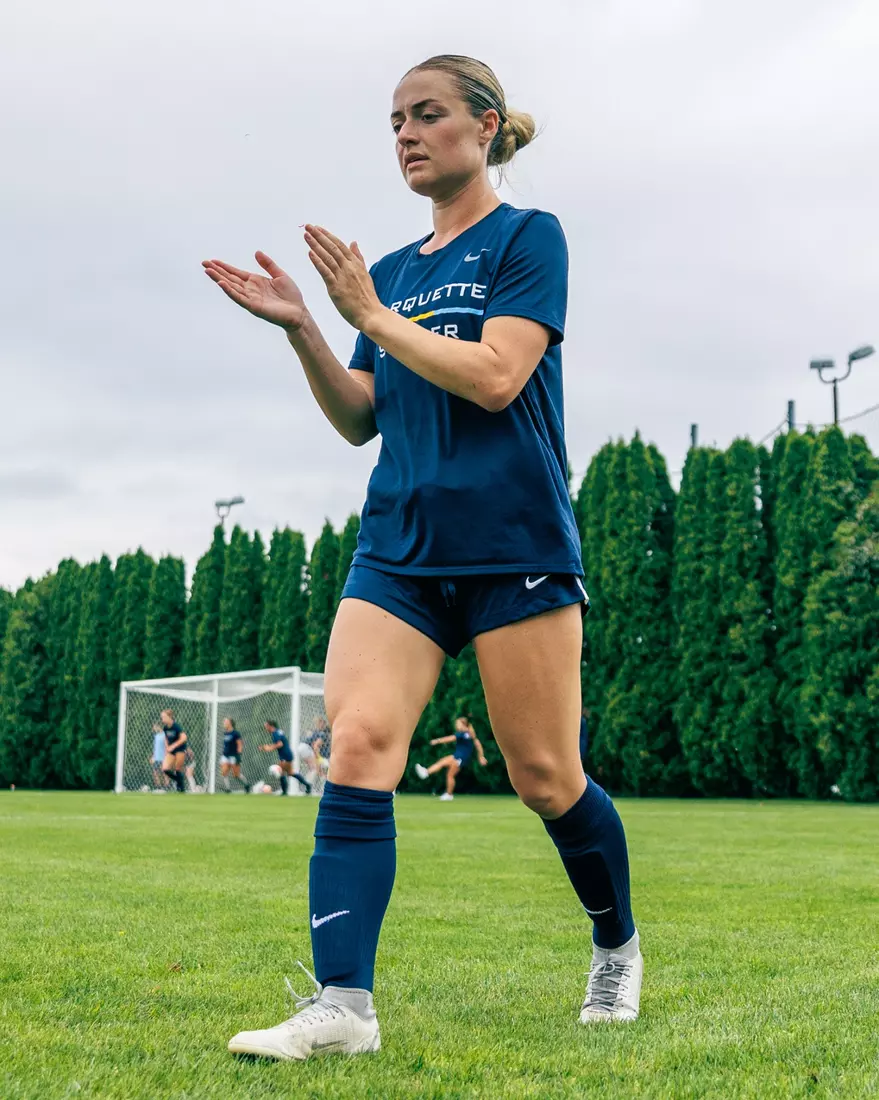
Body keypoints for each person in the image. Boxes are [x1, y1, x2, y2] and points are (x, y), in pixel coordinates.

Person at [206, 53, 641, 1063]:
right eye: (394, 119)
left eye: (427, 114)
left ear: (484, 127)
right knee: (355, 742)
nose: (405, 133)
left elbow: (496, 375)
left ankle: (615, 941)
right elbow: (362, 417)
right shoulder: (390, 272)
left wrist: (368, 317)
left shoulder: (530, 238)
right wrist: (310, 328)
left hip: (513, 541)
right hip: (398, 545)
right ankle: (342, 1004)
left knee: (544, 774)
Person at [414, 716, 487, 800]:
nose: (456, 725)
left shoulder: (463, 734)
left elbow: (450, 738)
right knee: (449, 774)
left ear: (464, 725)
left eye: (458, 724)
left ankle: (426, 773)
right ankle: (448, 794)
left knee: (444, 765)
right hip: (460, 756)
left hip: (460, 757)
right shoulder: (469, 734)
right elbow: (478, 744)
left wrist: (437, 741)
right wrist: (481, 756)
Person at [258, 721, 311, 796]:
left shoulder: (275, 733)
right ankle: (307, 785)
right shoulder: (278, 732)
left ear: (271, 726)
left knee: (280, 771)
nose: (265, 728)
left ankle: (284, 791)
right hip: (287, 754)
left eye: (266, 726)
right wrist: (267, 747)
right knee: (290, 773)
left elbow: (280, 744)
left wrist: (270, 748)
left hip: (285, 756)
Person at [161, 708, 187, 793]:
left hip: (180, 748)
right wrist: (167, 747)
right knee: (165, 768)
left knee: (178, 768)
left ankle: (181, 789)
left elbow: (184, 737)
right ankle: (179, 780)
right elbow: (165, 738)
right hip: (171, 750)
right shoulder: (165, 728)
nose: (162, 719)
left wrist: (173, 746)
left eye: (164, 717)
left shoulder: (176, 726)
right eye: (162, 717)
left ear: (170, 717)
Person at [220, 717, 249, 792]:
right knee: (224, 772)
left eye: (225, 721)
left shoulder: (236, 733)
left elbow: (240, 745)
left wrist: (238, 755)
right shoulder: (225, 733)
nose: (224, 723)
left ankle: (246, 785)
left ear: (230, 723)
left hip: (234, 756)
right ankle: (228, 789)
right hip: (225, 756)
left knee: (236, 775)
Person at [150, 723, 168, 789]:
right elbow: (155, 747)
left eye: (155, 727)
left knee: (165, 773)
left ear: (158, 727)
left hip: (163, 757)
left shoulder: (165, 735)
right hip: (156, 758)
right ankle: (158, 787)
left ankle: (166, 787)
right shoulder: (156, 736)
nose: (154, 729)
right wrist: (153, 756)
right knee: (155, 772)